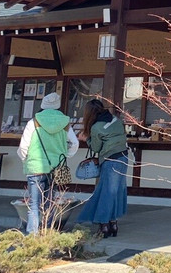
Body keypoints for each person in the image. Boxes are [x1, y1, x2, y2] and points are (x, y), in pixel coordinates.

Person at [17, 91, 79, 234]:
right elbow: (74, 143)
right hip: (56, 168)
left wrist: (25, 160)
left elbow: (23, 147)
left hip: (36, 167)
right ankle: (48, 233)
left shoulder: (34, 122)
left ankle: (32, 235)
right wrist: (66, 155)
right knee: (50, 203)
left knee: (34, 204)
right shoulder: (65, 123)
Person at [75, 98, 129, 237]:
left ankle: (104, 225)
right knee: (116, 192)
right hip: (123, 157)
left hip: (110, 159)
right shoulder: (116, 120)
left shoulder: (96, 127)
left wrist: (86, 139)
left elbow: (96, 147)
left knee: (105, 192)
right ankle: (113, 223)